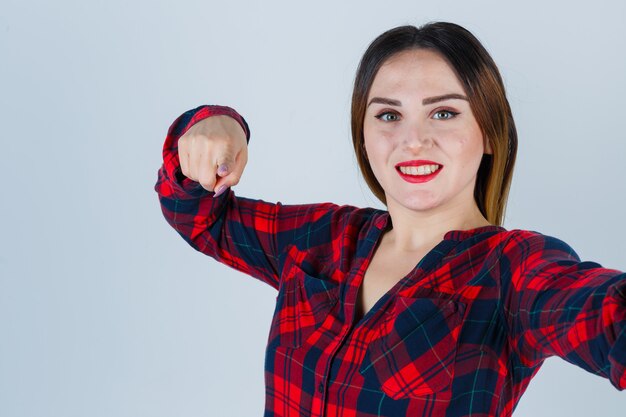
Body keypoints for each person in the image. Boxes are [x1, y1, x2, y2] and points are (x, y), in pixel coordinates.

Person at [154, 22, 626, 417]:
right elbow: (200, 217)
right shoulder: (324, 238)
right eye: (388, 115)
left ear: (488, 132)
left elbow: (603, 315)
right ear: (363, 135)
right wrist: (218, 123)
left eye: (443, 112)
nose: (413, 140)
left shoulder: (514, 272)